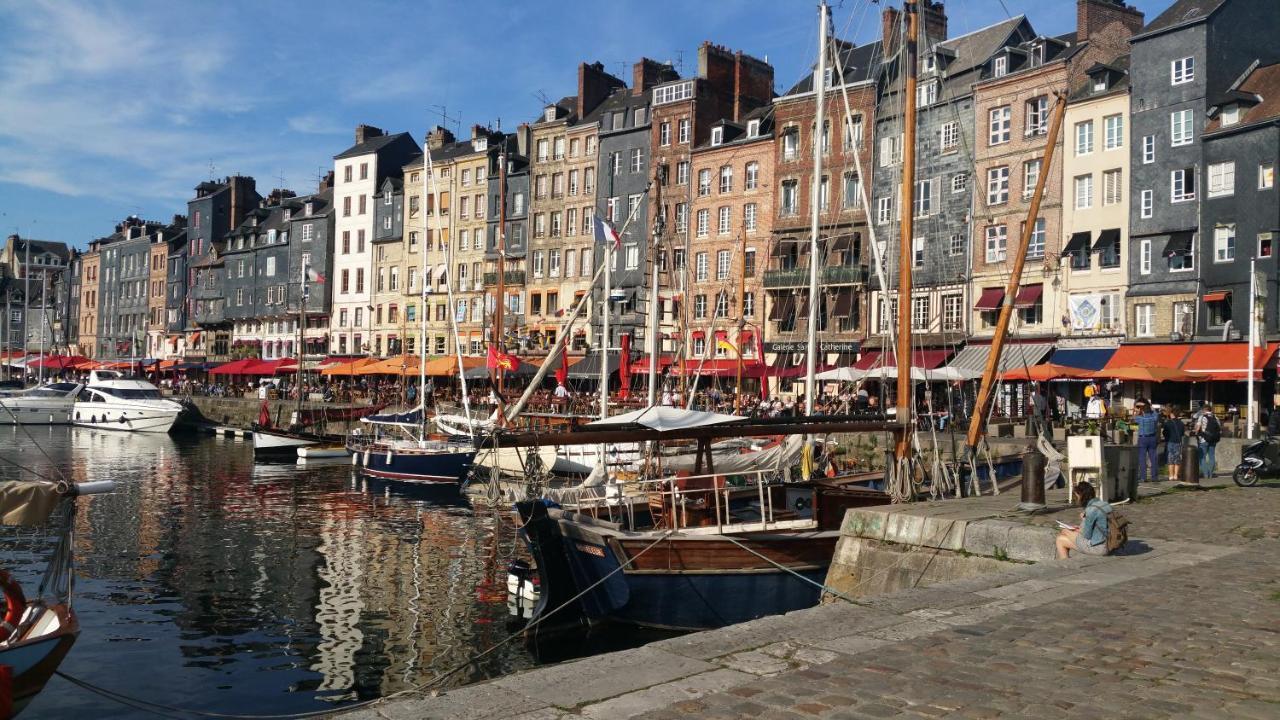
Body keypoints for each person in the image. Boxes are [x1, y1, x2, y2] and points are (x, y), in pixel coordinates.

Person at [1055, 481, 1112, 559]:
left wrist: (1079, 527)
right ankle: (1066, 563)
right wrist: (1080, 526)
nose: (1077, 499)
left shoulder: (1091, 510)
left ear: (1081, 495)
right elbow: (1099, 526)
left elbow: (1087, 535)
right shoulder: (1103, 504)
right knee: (1060, 539)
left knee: (1064, 531)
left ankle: (1066, 566)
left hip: (1099, 547)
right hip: (1109, 543)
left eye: (1076, 496)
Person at [1134, 399, 1160, 482]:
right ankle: (1154, 477)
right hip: (1152, 438)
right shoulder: (1154, 417)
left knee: (1142, 458)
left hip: (1142, 438)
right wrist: (1150, 406)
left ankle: (1143, 477)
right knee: (1153, 458)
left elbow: (1134, 419)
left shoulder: (1140, 418)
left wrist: (1137, 410)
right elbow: (1156, 414)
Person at [1194, 401, 1221, 478]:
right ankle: (1210, 474)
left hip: (1204, 439)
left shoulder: (1202, 417)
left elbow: (1198, 428)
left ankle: (1205, 474)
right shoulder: (1216, 417)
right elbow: (1219, 428)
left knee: (1202, 457)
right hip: (1213, 439)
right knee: (1212, 456)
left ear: (1204, 410)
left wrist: (1196, 432)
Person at [1163, 405, 1185, 482]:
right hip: (1178, 442)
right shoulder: (1181, 423)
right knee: (1177, 459)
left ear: (1171, 413)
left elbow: (1165, 433)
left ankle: (1171, 475)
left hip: (1170, 442)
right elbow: (1182, 433)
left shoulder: (1167, 423)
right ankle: (1176, 475)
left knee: (1170, 459)